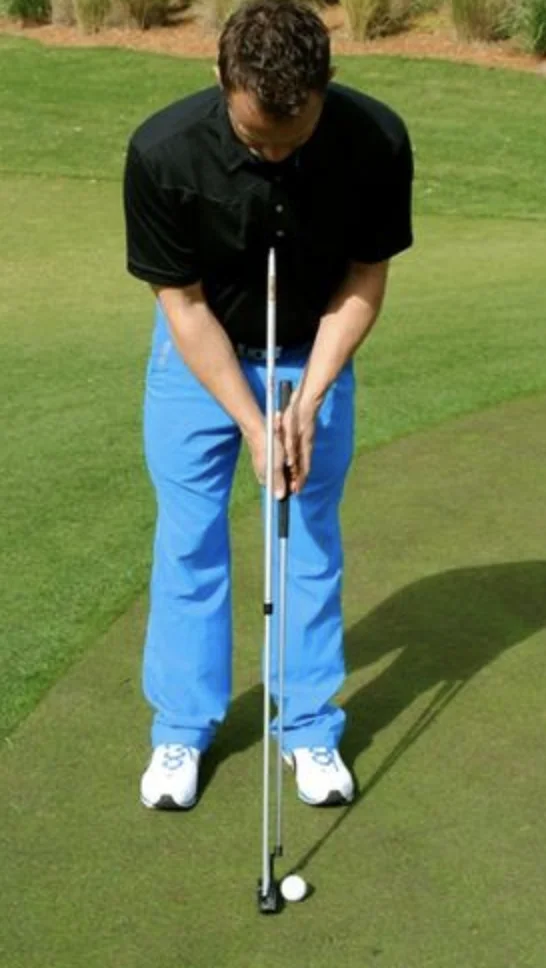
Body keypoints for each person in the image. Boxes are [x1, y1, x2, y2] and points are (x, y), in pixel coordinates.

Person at [123, 0, 414, 811]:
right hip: (198, 358)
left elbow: (365, 278)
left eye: (295, 138)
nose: (277, 155)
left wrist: (308, 399)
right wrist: (255, 424)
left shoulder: (375, 140)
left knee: (306, 535)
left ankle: (308, 725)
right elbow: (183, 306)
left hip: (311, 353)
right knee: (189, 539)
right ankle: (182, 726)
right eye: (259, 142)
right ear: (221, 81)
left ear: (327, 84)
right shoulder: (163, 152)